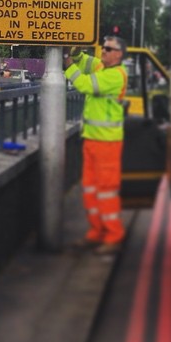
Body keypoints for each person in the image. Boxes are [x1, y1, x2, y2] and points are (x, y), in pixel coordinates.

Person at [64, 36, 128, 256]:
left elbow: (85, 84)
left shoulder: (115, 75)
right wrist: (76, 53)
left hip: (107, 143)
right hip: (91, 139)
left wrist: (68, 67)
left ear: (119, 55)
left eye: (109, 49)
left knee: (106, 191)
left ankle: (113, 236)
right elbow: (84, 61)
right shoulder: (101, 66)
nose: (104, 51)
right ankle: (96, 232)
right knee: (90, 189)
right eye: (104, 47)